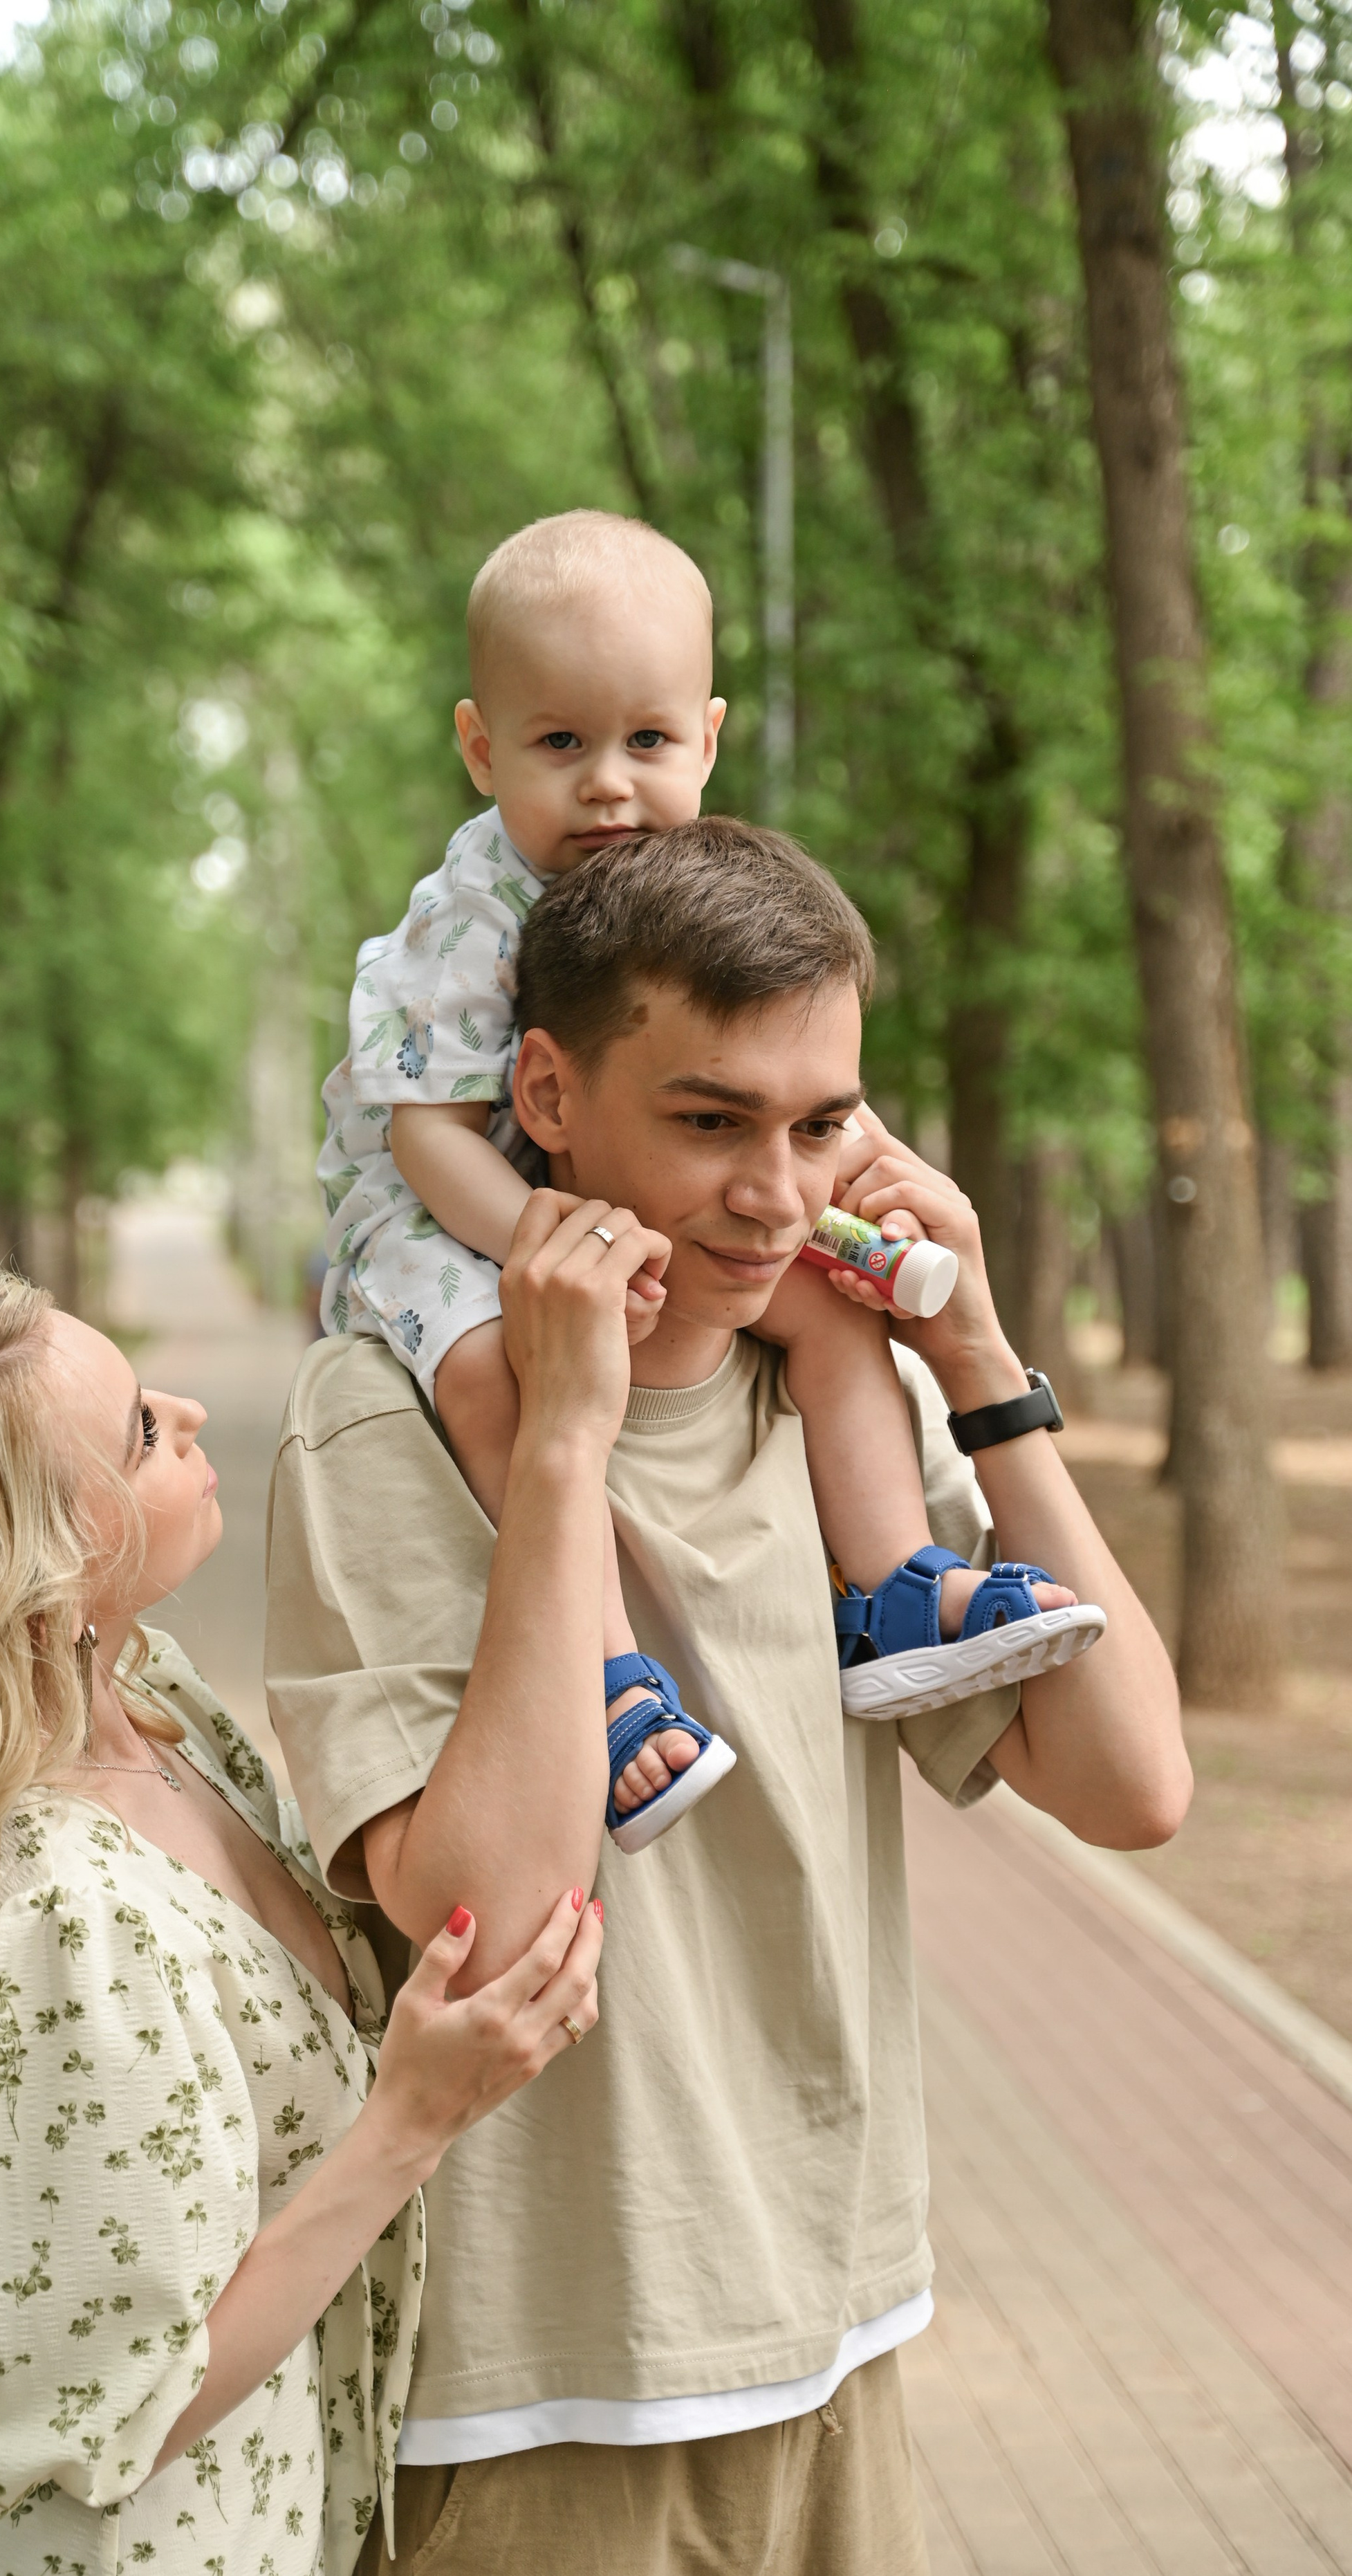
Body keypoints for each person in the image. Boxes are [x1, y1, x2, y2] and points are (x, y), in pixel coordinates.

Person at [267, 818, 1192, 2576]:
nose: (780, 1190)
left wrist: (988, 1364)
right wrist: (563, 1446)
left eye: (825, 1119)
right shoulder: (385, 1422)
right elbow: (489, 1915)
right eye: (710, 1122)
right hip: (540, 2411)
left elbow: (1134, 1784)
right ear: (547, 1093)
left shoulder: (839, 1418)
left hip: (839, 2352)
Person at [0, 1272, 604, 2576]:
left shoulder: (155, 1707)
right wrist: (410, 2119)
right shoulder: (65, 1920)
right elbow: (120, 2408)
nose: (187, 1411)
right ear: (48, 1570)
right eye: (136, 1431)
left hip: (247, 2560)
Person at [317, 510, 1098, 1857]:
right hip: (441, 1209)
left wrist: (854, 1205)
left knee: (832, 1314)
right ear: (479, 745)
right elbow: (423, 1134)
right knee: (496, 1372)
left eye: (648, 742)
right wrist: (549, 1249)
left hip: (597, 1205)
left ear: (708, 738)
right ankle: (612, 1676)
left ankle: (893, 1580)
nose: (609, 786)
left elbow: (779, 1074)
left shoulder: (690, 896)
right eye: (559, 744)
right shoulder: (464, 921)